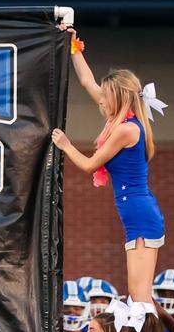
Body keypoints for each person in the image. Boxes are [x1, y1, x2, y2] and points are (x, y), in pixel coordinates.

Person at [52, 28, 165, 304]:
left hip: (140, 214)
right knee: (139, 294)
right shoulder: (117, 120)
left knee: (139, 296)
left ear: (120, 98)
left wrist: (66, 145)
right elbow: (87, 81)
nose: (100, 99)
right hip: (135, 213)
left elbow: (90, 165)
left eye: (106, 95)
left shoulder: (126, 130)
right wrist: (73, 47)